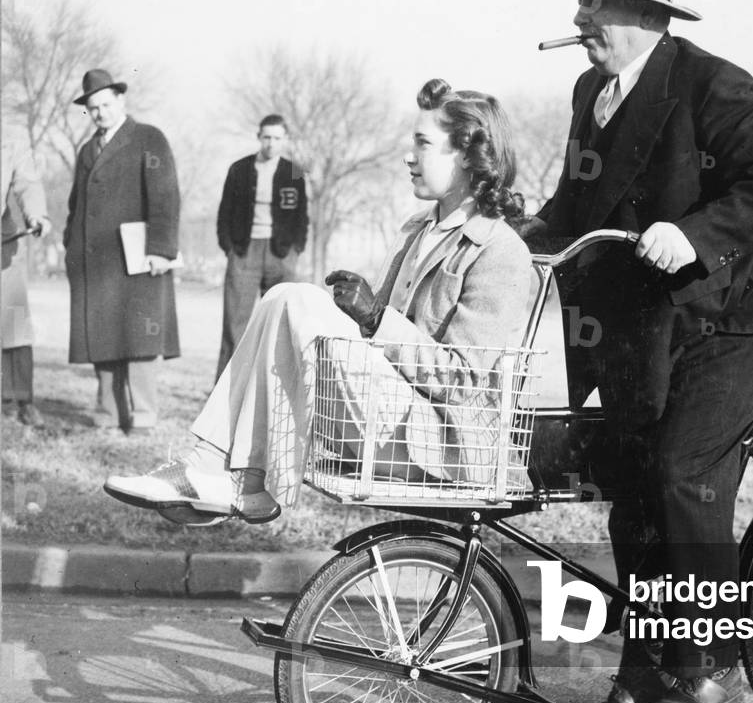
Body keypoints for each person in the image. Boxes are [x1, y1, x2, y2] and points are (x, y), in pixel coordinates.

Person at [526, 0, 753, 703]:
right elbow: (574, 203)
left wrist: (693, 233)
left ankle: (706, 656)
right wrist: (518, 235)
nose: (579, 14)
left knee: (679, 471)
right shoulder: (591, 91)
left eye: (593, 0)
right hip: (645, 331)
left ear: (643, 12)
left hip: (733, 324)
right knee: (631, 496)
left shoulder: (712, 85)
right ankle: (647, 668)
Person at [103, 79, 532, 523]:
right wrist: (367, 319)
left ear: (465, 155)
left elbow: (463, 382)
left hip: (435, 447)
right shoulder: (417, 229)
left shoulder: (500, 251)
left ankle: (238, 479)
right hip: (385, 421)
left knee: (301, 300)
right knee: (283, 295)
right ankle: (218, 469)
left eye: (422, 144)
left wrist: (376, 317)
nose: (409, 155)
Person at [64, 69, 181, 433]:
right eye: (93, 108)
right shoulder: (87, 150)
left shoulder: (149, 139)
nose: (99, 113)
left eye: (105, 104)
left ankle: (144, 417)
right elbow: (75, 206)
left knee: (140, 338)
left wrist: (161, 250)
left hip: (138, 259)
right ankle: (108, 416)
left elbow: (165, 197)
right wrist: (71, 246)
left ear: (121, 101)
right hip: (96, 262)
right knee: (102, 337)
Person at [215, 114, 308, 379]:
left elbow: (302, 217)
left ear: (285, 140)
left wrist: (295, 250)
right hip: (245, 252)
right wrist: (230, 248)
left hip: (281, 254)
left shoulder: (294, 171)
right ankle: (226, 393)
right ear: (258, 137)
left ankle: (273, 393)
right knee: (236, 325)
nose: (271, 143)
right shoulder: (239, 169)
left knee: (281, 325)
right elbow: (224, 213)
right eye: (266, 137)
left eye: (277, 138)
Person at [2, 142, 51, 426]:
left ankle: (20, 400)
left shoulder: (8, 138)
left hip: (3, 243)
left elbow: (28, 182)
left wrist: (36, 214)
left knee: (15, 322)